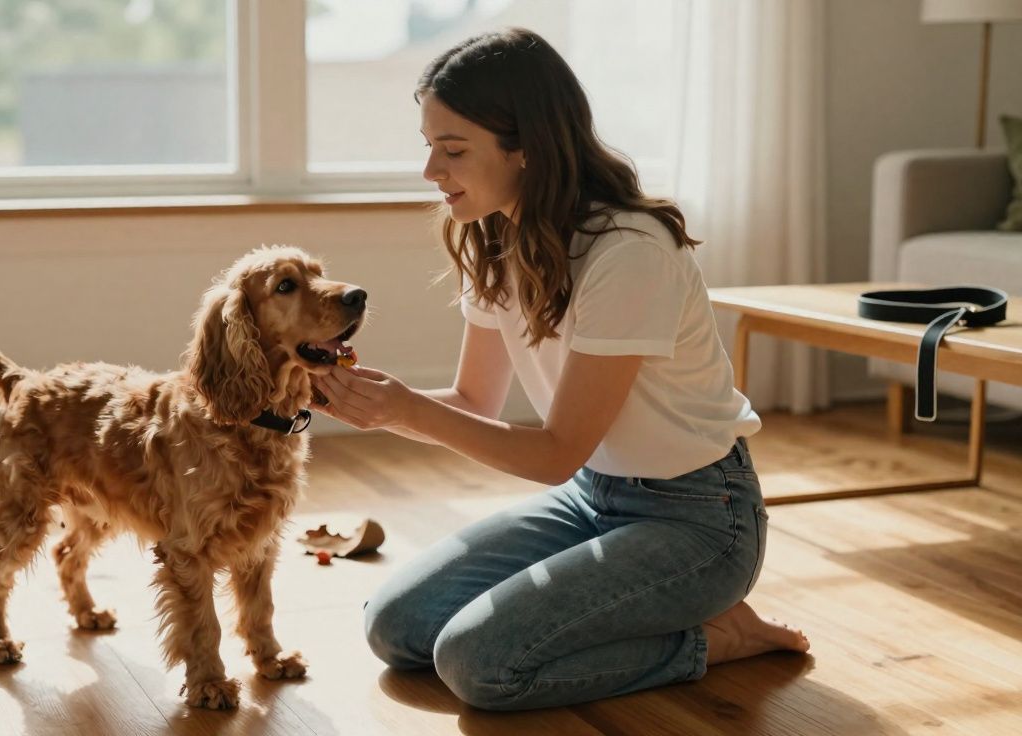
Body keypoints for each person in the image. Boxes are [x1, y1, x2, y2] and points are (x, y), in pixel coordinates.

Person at [309, 27, 810, 711]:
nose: (431, 171)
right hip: (591, 496)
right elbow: (473, 400)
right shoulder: (496, 237)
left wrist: (404, 409)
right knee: (395, 628)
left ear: (526, 147)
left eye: (453, 150)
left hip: (699, 520)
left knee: (479, 665)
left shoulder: (628, 252)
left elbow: (553, 453)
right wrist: (366, 404)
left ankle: (714, 636)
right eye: (429, 146)